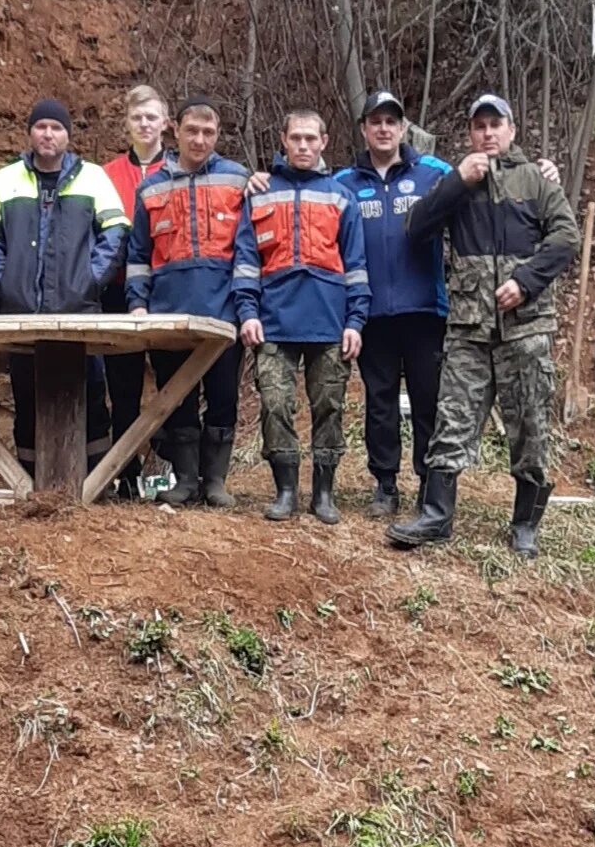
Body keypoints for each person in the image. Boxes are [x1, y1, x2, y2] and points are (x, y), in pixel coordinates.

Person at [387, 94, 580, 556]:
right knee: (451, 422)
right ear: (470, 133)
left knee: (530, 427)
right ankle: (436, 515)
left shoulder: (536, 180)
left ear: (511, 130)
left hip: (525, 329)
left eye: (496, 125)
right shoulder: (457, 181)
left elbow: (566, 237)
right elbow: (416, 228)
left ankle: (526, 525)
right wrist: (457, 182)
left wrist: (526, 282)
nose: (488, 133)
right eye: (480, 126)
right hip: (469, 329)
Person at [0, 98, 129, 482]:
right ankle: (31, 485)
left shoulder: (92, 177)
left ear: (68, 136)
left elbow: (115, 232)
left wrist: (89, 281)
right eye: (41, 126)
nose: (48, 134)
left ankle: (95, 484)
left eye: (56, 128)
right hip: (22, 314)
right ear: (30, 132)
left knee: (91, 395)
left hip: (78, 312)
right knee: (27, 397)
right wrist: (7, 282)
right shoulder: (4, 179)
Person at [232, 110, 370, 524]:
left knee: (329, 405)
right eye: (296, 138)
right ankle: (286, 490)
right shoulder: (259, 192)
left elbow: (357, 265)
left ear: (325, 141)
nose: (304, 146)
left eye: (312, 138)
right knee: (275, 403)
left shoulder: (340, 195)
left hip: (329, 322)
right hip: (272, 320)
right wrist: (247, 312)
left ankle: (324, 492)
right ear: (283, 140)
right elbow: (245, 261)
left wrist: (356, 321)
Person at [332, 91, 454, 519]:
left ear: (404, 129)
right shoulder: (343, 183)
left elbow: (484, 182)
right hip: (371, 314)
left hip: (424, 311)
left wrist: (542, 171)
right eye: (376, 121)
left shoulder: (434, 173)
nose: (384, 128)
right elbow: (303, 196)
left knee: (428, 398)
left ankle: (427, 481)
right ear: (364, 128)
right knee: (379, 401)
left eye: (392, 121)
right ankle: (385, 483)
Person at [125, 97, 250, 508]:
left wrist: (246, 307)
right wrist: (137, 304)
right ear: (174, 130)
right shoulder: (151, 187)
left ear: (218, 135)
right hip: (168, 312)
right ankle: (185, 481)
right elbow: (138, 256)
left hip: (223, 312)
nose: (200, 139)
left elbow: (249, 251)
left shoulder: (238, 181)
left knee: (223, 397)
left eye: (209, 132)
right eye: (192, 130)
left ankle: (215, 481)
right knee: (175, 396)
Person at [100, 86, 171, 499]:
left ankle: (164, 479)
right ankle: (124, 477)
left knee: (170, 385)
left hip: (166, 289)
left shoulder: (181, 169)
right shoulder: (105, 174)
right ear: (126, 123)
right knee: (122, 386)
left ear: (165, 122)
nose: (144, 125)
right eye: (137, 118)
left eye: (152, 117)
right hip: (117, 291)